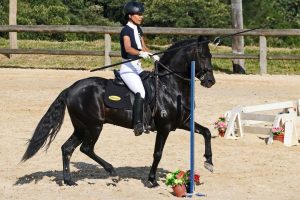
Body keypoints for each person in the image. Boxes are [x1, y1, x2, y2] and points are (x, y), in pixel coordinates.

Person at [119, 1, 159, 136]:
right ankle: (137, 124)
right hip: (128, 69)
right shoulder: (126, 30)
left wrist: (152, 54)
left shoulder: (139, 30)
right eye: (138, 14)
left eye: (141, 14)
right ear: (130, 16)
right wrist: (140, 53)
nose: (141, 17)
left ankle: (149, 120)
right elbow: (128, 48)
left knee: (151, 87)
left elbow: (143, 46)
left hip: (138, 68)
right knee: (140, 92)